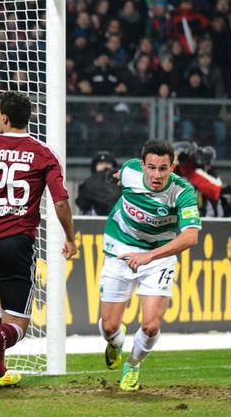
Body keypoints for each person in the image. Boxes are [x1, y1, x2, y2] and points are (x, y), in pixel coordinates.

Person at [0, 91, 77, 389]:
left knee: (3, 304)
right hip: (17, 242)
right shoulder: (43, 153)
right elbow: (60, 202)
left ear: (4, 117)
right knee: (19, 325)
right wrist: (70, 238)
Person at [96, 139, 200, 392]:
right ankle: (115, 343)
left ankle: (132, 364)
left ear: (172, 167)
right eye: (151, 167)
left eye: (163, 169)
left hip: (158, 255)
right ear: (142, 165)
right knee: (109, 326)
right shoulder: (131, 170)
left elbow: (190, 237)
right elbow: (119, 174)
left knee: (151, 325)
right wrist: (113, 176)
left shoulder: (183, 192)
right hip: (120, 247)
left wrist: (149, 256)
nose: (157, 175)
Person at [75, 150, 122, 215]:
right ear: (95, 166)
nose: (104, 166)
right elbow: (82, 204)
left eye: (107, 163)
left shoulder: (121, 182)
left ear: (113, 166)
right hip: (94, 219)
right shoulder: (88, 182)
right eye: (101, 164)